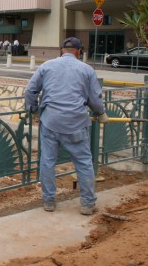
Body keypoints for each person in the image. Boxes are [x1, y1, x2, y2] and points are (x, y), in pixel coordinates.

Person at [24, 37, 108, 215]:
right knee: (84, 163)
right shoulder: (87, 70)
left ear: (62, 50)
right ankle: (87, 204)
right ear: (79, 51)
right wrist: (100, 113)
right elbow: (95, 99)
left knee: (47, 162)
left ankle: (48, 201)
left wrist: (34, 110)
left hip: (50, 122)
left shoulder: (46, 66)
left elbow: (30, 90)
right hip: (76, 123)